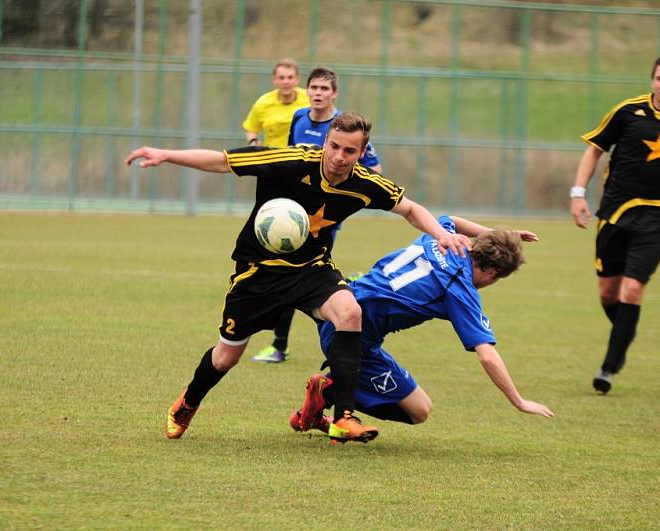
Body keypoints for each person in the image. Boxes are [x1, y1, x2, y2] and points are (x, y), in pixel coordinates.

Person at [125, 112, 472, 444]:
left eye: (349, 150)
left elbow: (409, 208)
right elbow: (222, 161)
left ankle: (344, 417)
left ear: (362, 153)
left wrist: (440, 235)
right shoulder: (291, 161)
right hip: (258, 274)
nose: (338, 156)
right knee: (225, 357)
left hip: (311, 270)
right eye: (333, 146)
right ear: (326, 142)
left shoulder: (364, 184)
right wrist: (166, 155)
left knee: (350, 313)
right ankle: (188, 402)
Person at [289, 215, 554, 438]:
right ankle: (329, 392)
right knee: (419, 411)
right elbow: (487, 355)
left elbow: (449, 219)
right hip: (351, 339)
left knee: (413, 401)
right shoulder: (460, 289)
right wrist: (518, 401)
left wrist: (493, 236)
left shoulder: (440, 238)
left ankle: (324, 403)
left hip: (339, 305)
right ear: (494, 273)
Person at [570, 55, 660, 394]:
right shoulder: (627, 112)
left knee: (632, 289)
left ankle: (609, 366)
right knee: (608, 293)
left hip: (659, 217)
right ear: (652, 81)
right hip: (616, 213)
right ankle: (625, 332)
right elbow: (594, 150)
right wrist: (577, 193)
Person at [252, 66, 382, 364]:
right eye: (314, 88)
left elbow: (375, 170)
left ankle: (295, 343)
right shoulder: (298, 117)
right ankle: (282, 345)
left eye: (325, 89)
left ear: (334, 94)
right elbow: (288, 158)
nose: (318, 94)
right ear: (306, 90)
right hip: (290, 213)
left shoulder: (344, 130)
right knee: (287, 275)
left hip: (321, 220)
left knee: (296, 278)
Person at [242, 58, 309, 148]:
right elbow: (251, 129)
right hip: (273, 157)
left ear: (297, 80)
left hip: (302, 157)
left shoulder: (310, 99)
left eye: (290, 77)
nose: (286, 82)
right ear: (274, 80)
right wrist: (253, 143)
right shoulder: (263, 102)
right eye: (281, 78)